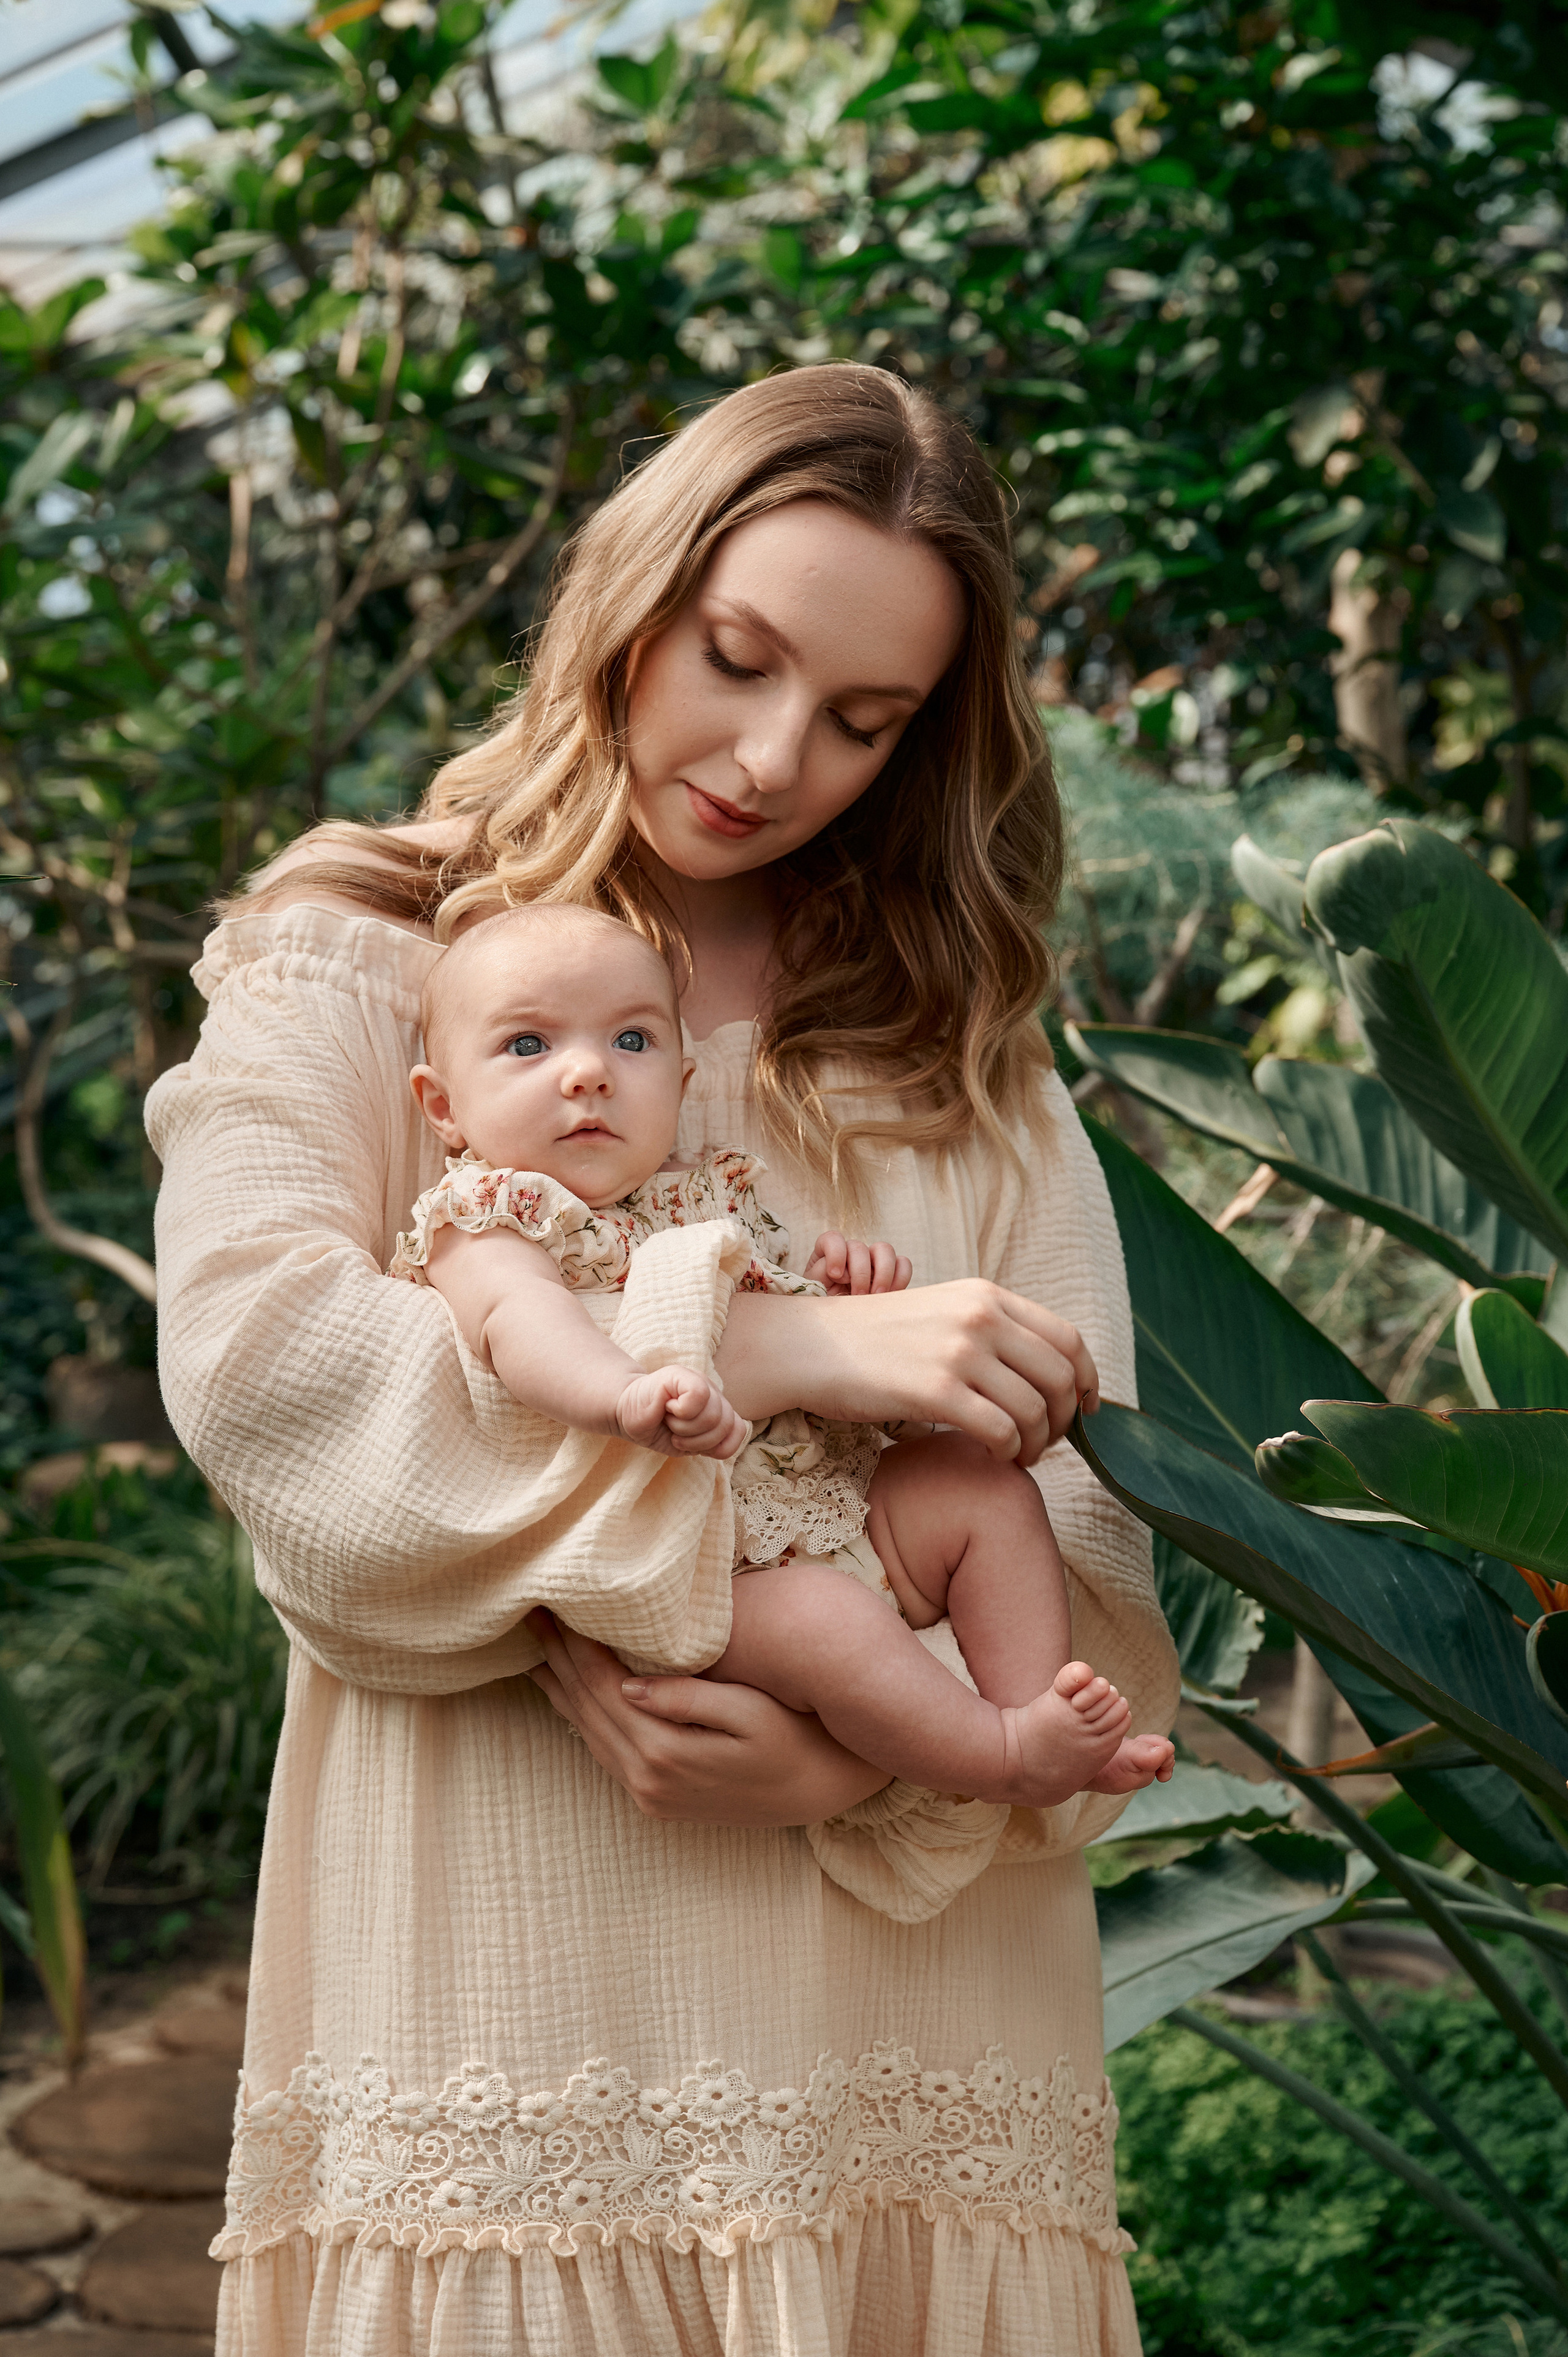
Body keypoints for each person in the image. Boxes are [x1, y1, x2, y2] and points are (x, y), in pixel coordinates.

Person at [149, 361, 1178, 2355]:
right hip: (506, 1983)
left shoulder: (952, 1039)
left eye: (864, 720)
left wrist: (870, 1753)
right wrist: (788, 1346)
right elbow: (269, 1374)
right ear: (636, 589)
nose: (774, 754)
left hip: (916, 2001)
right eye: (737, 656)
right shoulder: (371, 948)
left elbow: (1088, 1524)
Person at [396, 899, 1177, 1808]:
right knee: (827, 1621)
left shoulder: (704, 1193)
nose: (588, 1075)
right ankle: (1002, 1755)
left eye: (633, 1043)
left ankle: (1038, 1707)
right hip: (699, 1562)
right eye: (529, 1046)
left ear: (684, 1080)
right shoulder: (491, 1216)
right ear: (444, 1107)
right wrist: (627, 1392)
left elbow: (812, 1349)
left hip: (823, 1503)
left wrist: (846, 1302)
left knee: (982, 1486)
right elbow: (521, 1326)